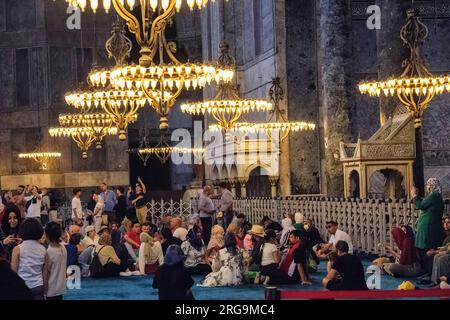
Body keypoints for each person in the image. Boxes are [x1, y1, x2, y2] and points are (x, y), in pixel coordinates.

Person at [412, 178, 445, 280]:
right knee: (423, 250)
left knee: (427, 251)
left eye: (428, 185)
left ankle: (429, 274)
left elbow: (420, 205)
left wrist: (414, 195)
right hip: (426, 229)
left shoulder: (434, 196)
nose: (427, 187)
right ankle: (426, 273)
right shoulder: (433, 196)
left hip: (429, 230)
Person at [11, 218, 47, 300]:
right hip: (38, 286)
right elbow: (44, 272)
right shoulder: (43, 249)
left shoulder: (17, 249)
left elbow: (13, 272)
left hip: (23, 286)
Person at [43, 222, 67, 300]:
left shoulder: (49, 252)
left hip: (51, 289)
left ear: (47, 235)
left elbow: (46, 273)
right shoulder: (63, 248)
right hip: (61, 288)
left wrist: (44, 290)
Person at [429, 215, 450, 285]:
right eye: (445, 222)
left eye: (448, 222)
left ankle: (442, 281)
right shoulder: (445, 234)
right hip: (447, 251)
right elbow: (447, 246)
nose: (446, 224)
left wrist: (445, 252)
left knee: (442, 259)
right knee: (436, 256)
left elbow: (448, 248)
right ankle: (435, 281)